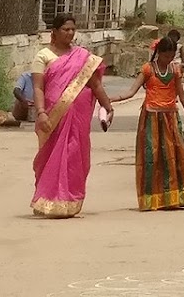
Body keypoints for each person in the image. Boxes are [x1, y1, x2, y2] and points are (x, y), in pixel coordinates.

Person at [31, 13, 115, 219]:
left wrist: (108, 106)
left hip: (78, 117)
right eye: (65, 29)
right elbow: (38, 88)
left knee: (75, 156)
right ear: (54, 32)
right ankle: (48, 200)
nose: (69, 33)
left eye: (72, 29)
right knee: (51, 157)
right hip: (53, 115)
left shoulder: (83, 57)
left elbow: (95, 84)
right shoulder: (43, 56)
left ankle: (69, 201)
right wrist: (41, 112)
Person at [116, 34, 184, 211]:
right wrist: (110, 99)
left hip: (170, 117)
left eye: (171, 56)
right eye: (165, 56)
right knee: (152, 158)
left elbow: (183, 97)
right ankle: (153, 199)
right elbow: (131, 92)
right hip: (151, 118)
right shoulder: (148, 69)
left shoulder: (175, 70)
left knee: (177, 156)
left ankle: (183, 196)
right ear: (158, 53)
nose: (168, 59)